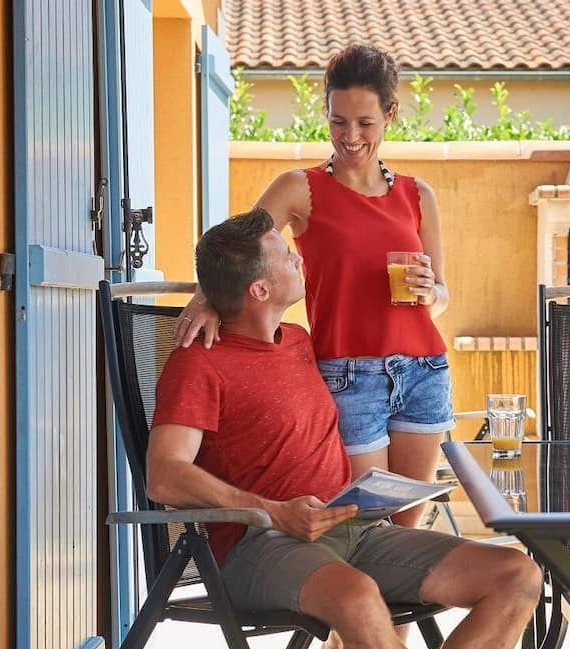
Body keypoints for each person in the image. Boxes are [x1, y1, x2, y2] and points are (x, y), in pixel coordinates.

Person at [149, 209, 542, 649]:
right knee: (357, 599)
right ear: (259, 290)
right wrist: (275, 513)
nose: (298, 260)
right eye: (285, 255)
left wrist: (432, 290)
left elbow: (366, 304)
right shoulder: (198, 364)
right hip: (259, 544)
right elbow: (164, 475)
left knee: (516, 574)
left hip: (353, 530)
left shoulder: (297, 340)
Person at [176, 43, 451, 529]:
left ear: (389, 115)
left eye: (365, 123)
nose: (350, 136)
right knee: (362, 526)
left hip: (424, 371)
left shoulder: (418, 195)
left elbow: (443, 297)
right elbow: (233, 251)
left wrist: (432, 293)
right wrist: (208, 299)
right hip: (348, 376)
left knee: (406, 534)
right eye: (338, 121)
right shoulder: (299, 188)